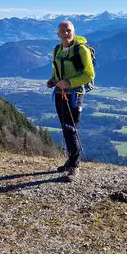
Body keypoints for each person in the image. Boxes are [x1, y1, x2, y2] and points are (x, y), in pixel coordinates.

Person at [46, 20, 95, 182]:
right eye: (63, 31)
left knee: (70, 128)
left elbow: (89, 75)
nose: (66, 33)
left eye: (68, 30)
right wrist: (52, 81)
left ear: (73, 31)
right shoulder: (57, 50)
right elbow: (56, 71)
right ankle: (70, 160)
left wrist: (69, 83)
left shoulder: (81, 50)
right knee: (65, 127)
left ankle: (75, 165)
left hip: (75, 93)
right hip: (60, 93)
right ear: (58, 34)